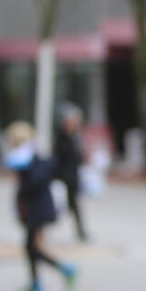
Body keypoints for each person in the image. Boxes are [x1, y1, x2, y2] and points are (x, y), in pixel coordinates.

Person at [5, 121, 77, 291]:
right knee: (34, 247)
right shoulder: (28, 157)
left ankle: (64, 269)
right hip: (35, 208)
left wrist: (23, 187)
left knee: (31, 247)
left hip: (37, 209)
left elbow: (35, 182)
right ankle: (37, 282)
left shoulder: (28, 158)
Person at [54, 103, 88, 241]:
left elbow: (78, 157)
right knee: (65, 204)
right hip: (64, 177)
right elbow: (59, 156)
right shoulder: (61, 137)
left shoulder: (75, 136)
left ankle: (80, 231)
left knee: (73, 204)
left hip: (73, 176)